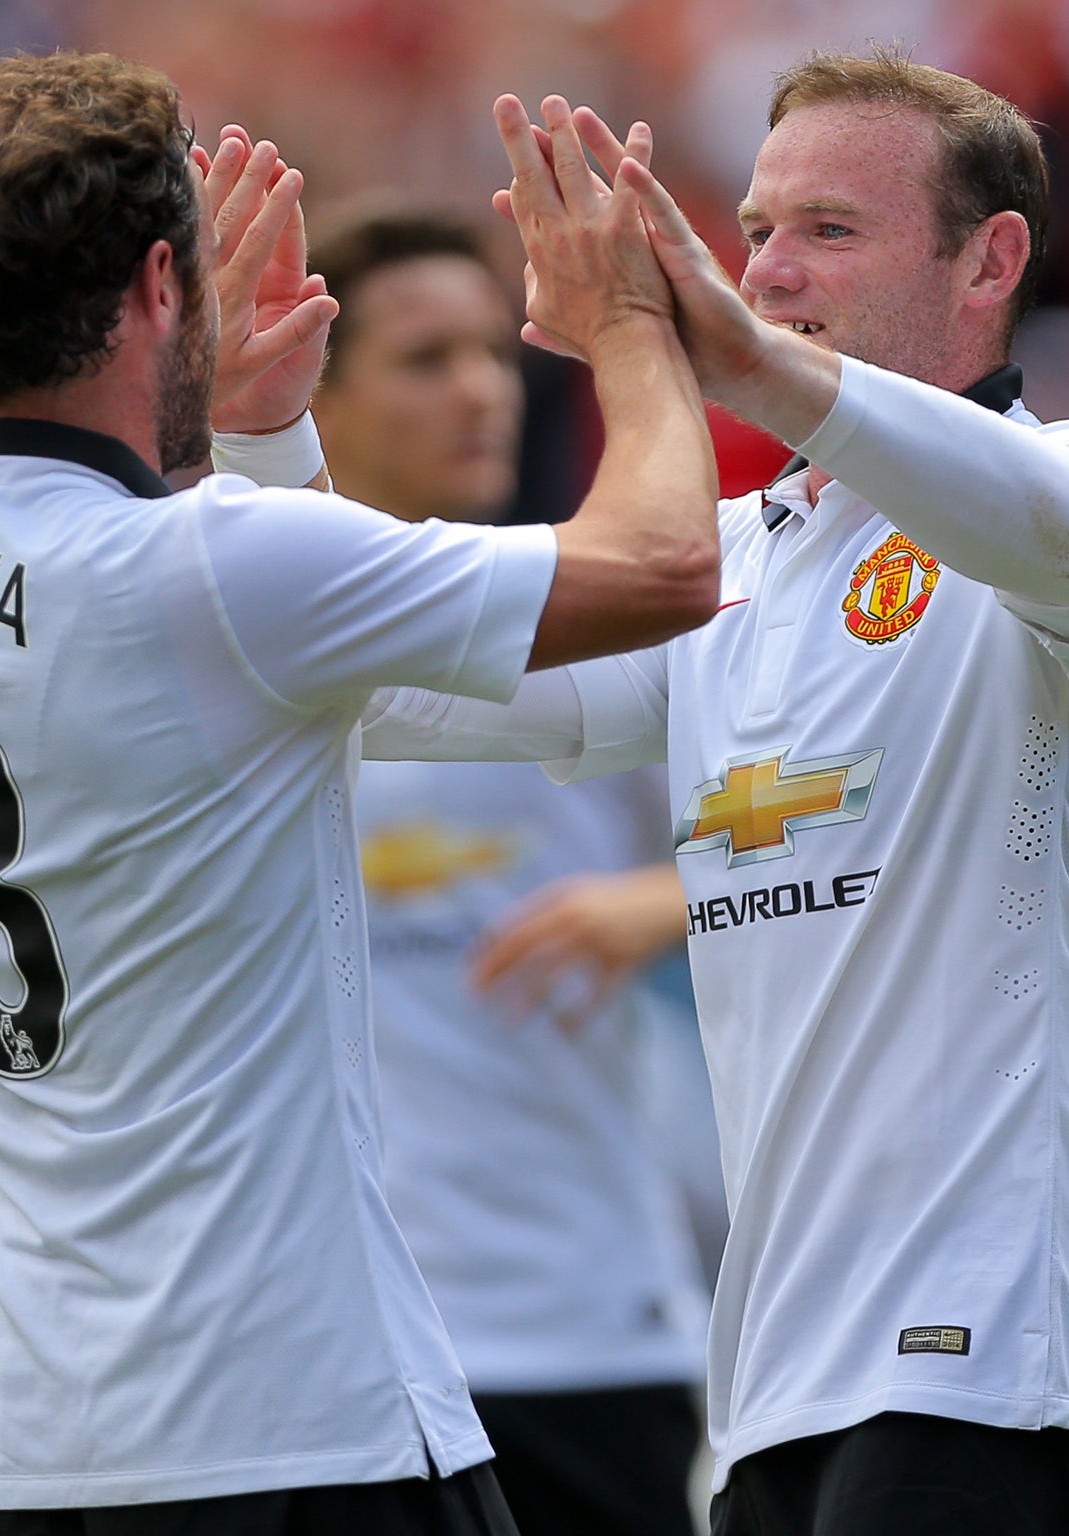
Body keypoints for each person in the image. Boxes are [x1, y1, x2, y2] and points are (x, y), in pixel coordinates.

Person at [0, 52, 720, 1536]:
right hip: (301, 1422)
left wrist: (244, 441)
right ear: (165, 281)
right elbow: (669, 566)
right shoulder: (217, 568)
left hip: (46, 1440)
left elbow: (164, 665)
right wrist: (628, 327)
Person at [365, 48, 1069, 1536]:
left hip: (1004, 1359)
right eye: (758, 229)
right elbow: (390, 688)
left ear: (989, 259)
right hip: (776, 1389)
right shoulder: (735, 565)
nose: (767, 270)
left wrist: (740, 365)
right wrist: (254, 440)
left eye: (831, 230)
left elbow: (1068, 537)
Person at [312, 206, 706, 1536]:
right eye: (426, 359)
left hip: (583, 1320)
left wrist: (664, 898)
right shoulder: (231, 632)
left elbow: (815, 823)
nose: (480, 389)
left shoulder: (592, 619)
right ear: (311, 388)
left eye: (493, 353)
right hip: (338, 1352)